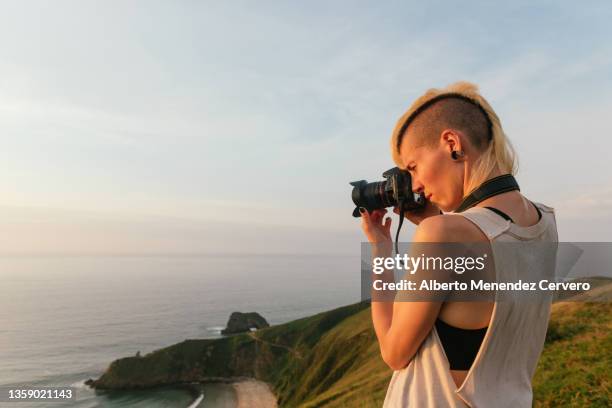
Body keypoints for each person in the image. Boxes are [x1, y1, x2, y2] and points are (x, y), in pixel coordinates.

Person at [359, 81, 558, 407]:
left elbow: (394, 352)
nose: (417, 185)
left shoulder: (443, 234)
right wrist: (435, 221)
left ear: (452, 143)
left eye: (413, 166)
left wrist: (381, 249)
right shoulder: (545, 221)